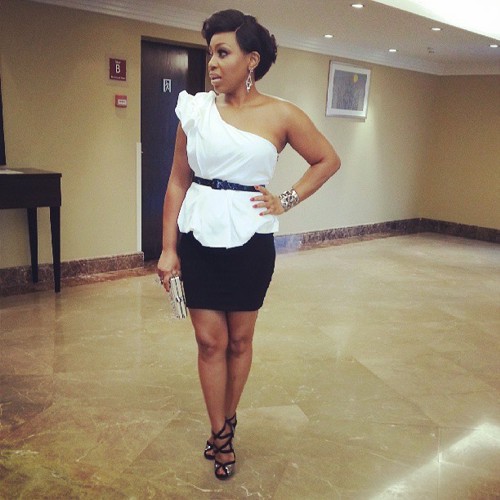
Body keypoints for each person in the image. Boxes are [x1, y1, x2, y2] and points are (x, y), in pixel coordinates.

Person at [157, 9, 341, 480]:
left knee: (239, 340)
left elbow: (326, 159)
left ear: (251, 60)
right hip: (198, 235)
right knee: (209, 341)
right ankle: (220, 434)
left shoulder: (281, 114)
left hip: (251, 242)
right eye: (210, 54)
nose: (212, 63)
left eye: (223, 53)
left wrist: (286, 199)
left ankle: (228, 417)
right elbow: (177, 181)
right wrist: (168, 248)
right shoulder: (195, 111)